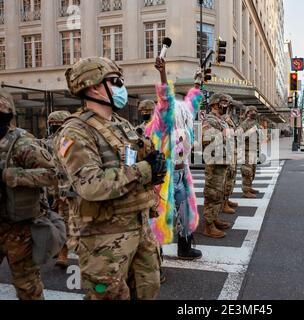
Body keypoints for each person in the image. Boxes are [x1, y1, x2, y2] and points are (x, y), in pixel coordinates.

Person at [54, 57, 167, 300]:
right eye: (115, 82)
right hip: (103, 238)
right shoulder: (75, 131)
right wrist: (146, 170)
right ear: (94, 86)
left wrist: (155, 161)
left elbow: (138, 156)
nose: (121, 88)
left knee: (148, 289)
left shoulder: (121, 124)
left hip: (138, 225)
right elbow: (91, 185)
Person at [0, 89, 58, 300]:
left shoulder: (21, 142)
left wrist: (11, 175)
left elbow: (53, 174)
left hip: (19, 230)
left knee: (27, 287)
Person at [145, 57, 202, 261]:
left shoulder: (184, 118)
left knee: (185, 212)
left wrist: (198, 83)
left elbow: (192, 104)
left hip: (181, 173)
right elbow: (166, 99)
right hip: (165, 177)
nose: (182, 117)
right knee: (159, 216)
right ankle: (155, 257)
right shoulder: (161, 125)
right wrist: (163, 73)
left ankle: (185, 248)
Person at [202, 93, 233, 238]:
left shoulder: (222, 121)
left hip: (223, 161)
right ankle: (208, 226)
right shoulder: (209, 119)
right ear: (215, 104)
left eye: (227, 103)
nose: (226, 105)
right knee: (212, 193)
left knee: (219, 192)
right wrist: (223, 134)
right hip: (215, 162)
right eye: (223, 102)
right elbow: (206, 139)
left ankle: (214, 218)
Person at [44, 110, 72, 268]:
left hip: (68, 192)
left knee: (69, 225)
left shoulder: (68, 142)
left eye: (57, 125)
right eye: (52, 125)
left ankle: (64, 254)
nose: (55, 128)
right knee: (60, 224)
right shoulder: (49, 142)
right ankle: (62, 253)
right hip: (55, 192)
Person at [222, 98, 241, 215]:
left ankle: (227, 200)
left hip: (232, 152)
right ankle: (223, 203)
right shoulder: (221, 119)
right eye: (227, 105)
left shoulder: (229, 118)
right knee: (225, 179)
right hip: (226, 153)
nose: (228, 107)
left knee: (231, 178)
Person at [239, 106, 261, 199]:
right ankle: (246, 191)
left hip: (253, 150)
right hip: (246, 151)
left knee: (253, 171)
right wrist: (251, 131)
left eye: (255, 111)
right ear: (247, 113)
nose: (253, 113)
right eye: (251, 111)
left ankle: (249, 187)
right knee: (247, 172)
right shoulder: (244, 124)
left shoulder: (255, 123)